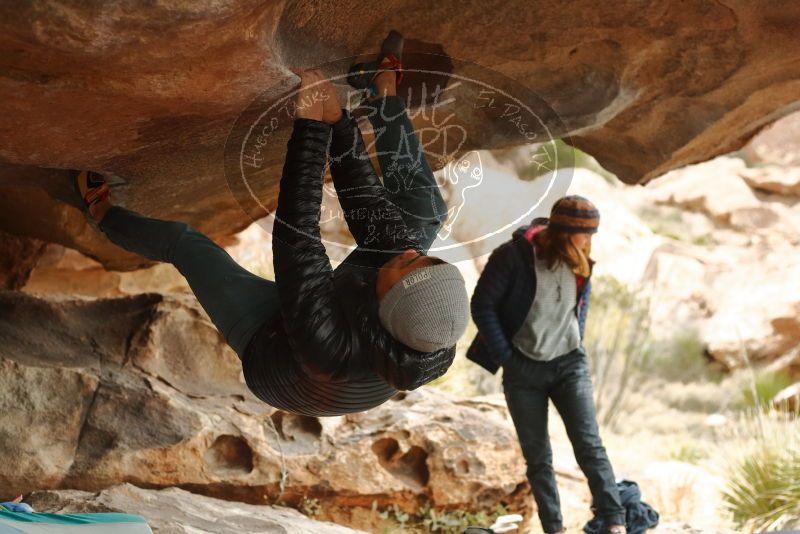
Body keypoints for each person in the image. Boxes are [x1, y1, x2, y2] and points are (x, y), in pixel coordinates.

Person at [74, 32, 469, 417]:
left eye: (406, 265)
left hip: (276, 348)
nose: (410, 253)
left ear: (385, 301)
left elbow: (298, 236)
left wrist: (311, 129)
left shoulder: (326, 345)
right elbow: (369, 208)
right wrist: (338, 122)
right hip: (353, 316)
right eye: (424, 260)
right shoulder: (423, 312)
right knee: (422, 216)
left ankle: (103, 214)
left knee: (185, 243)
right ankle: (381, 89)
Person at [468, 196, 626, 534]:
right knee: (539, 459)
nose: (589, 241)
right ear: (567, 233)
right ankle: (554, 529)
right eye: (585, 234)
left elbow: (579, 305)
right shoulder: (514, 257)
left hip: (569, 364)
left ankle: (614, 521)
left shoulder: (580, 260)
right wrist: (507, 358)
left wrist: (576, 339)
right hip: (524, 371)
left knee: (589, 444)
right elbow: (482, 305)